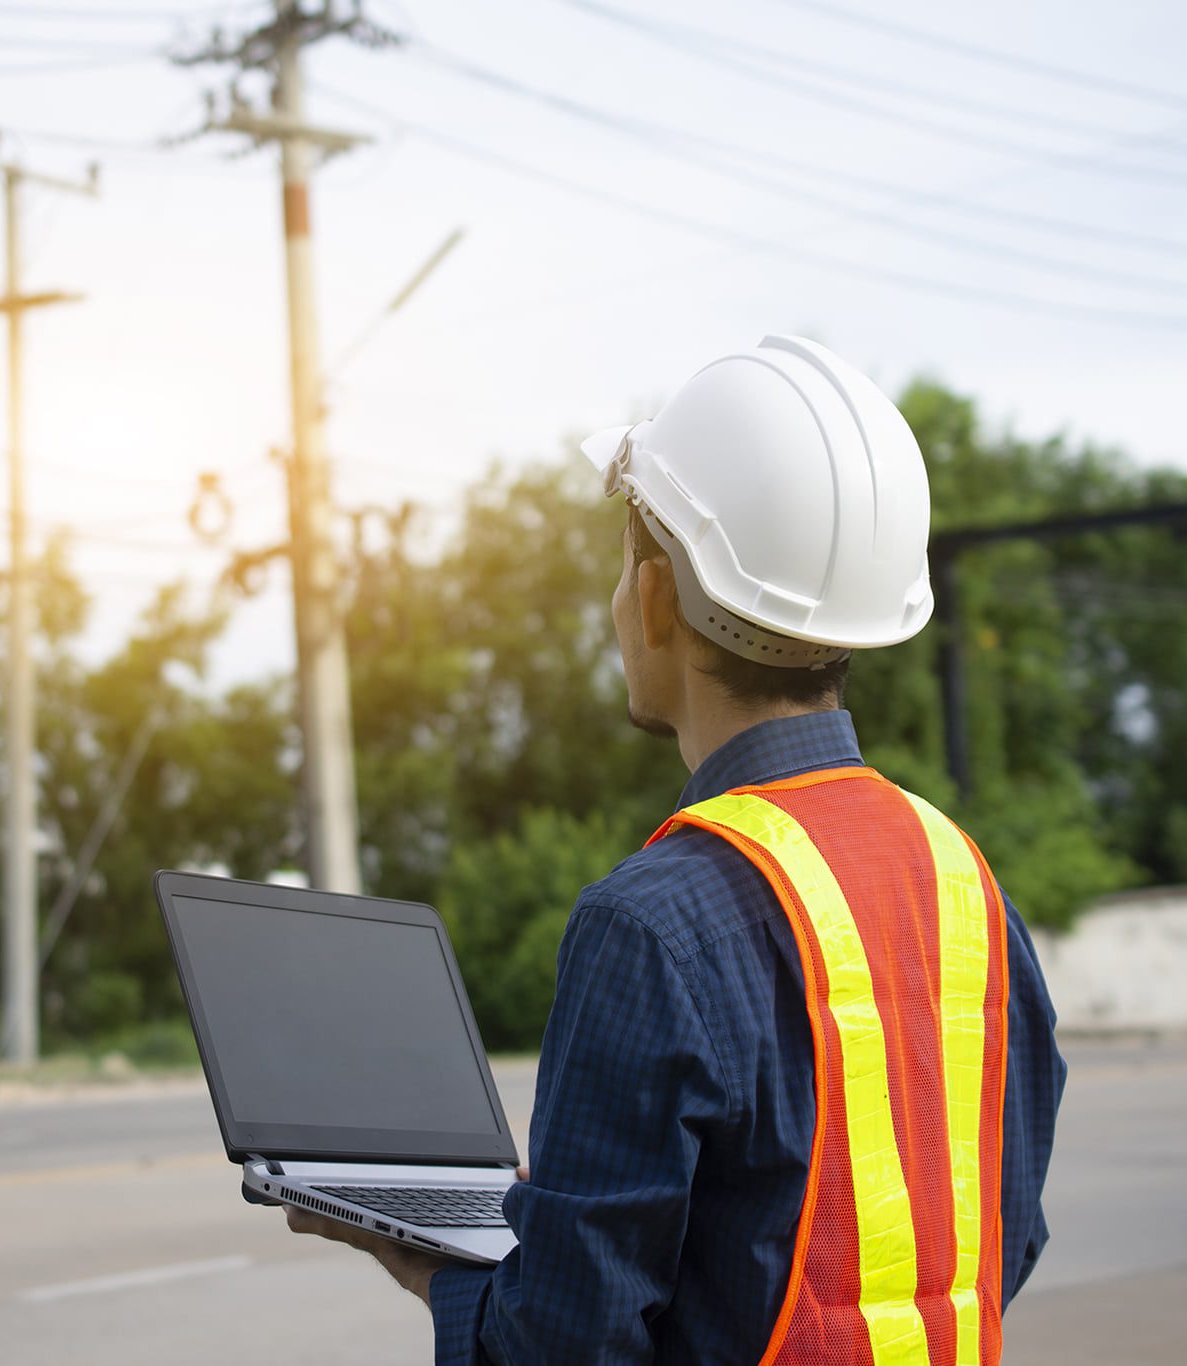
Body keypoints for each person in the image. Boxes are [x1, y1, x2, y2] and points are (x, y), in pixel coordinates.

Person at [287, 335, 1065, 1365]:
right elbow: (994, 1240)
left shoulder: (651, 922)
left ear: (653, 598)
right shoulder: (963, 881)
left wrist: (425, 1262)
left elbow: (562, 1346)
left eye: (622, 574)